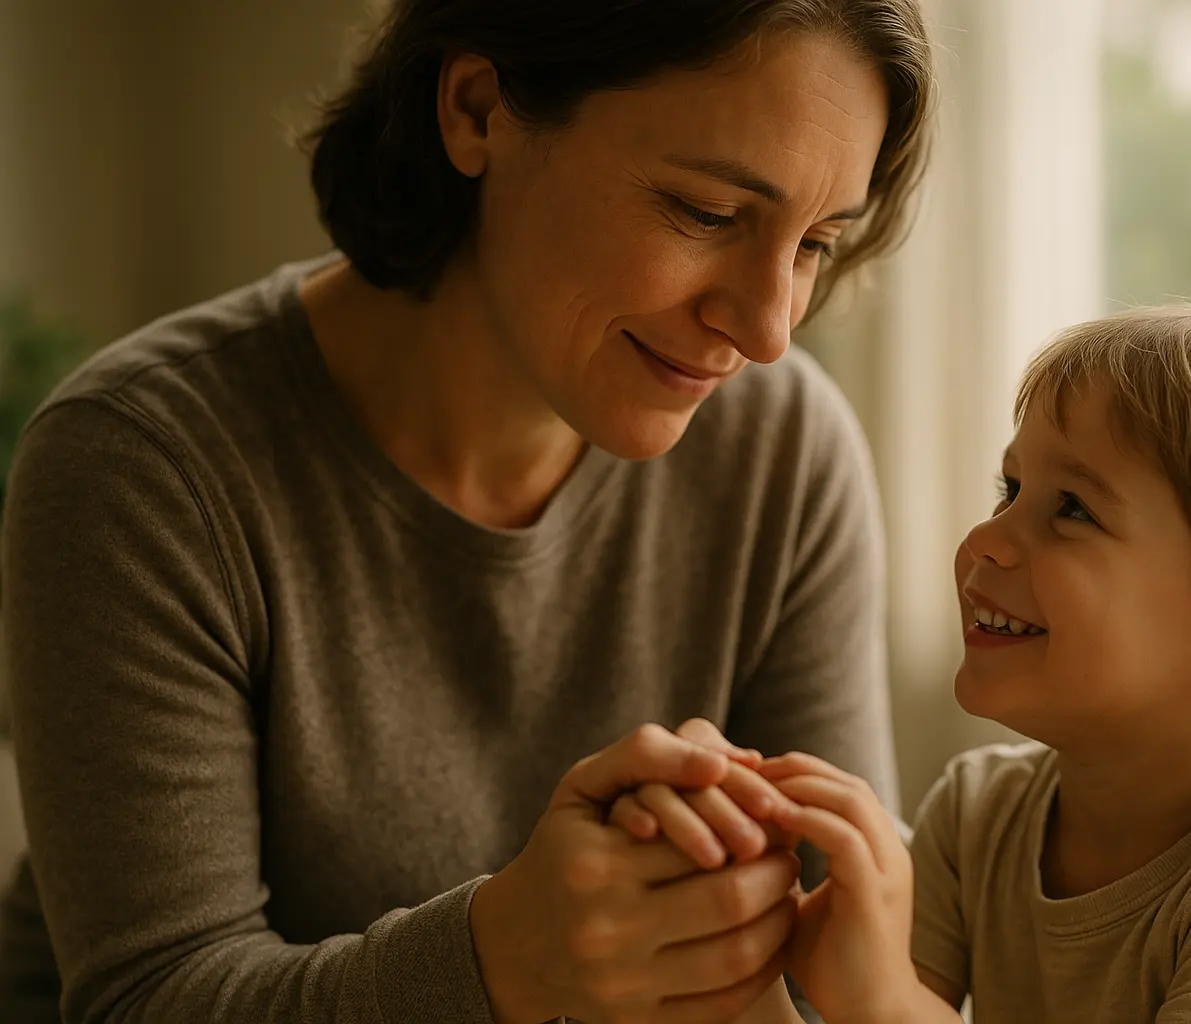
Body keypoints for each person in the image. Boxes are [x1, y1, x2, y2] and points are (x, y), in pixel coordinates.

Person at [0, 2, 935, 1022]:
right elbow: (148, 999)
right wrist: (506, 957)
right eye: (706, 212)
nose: (766, 329)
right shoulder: (144, 465)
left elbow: (827, 965)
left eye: (815, 243)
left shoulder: (785, 452)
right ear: (477, 108)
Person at [614, 304, 1191, 1023]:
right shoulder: (977, 816)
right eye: (1009, 490)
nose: (987, 541)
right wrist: (745, 954)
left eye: (1071, 509)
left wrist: (882, 1003)